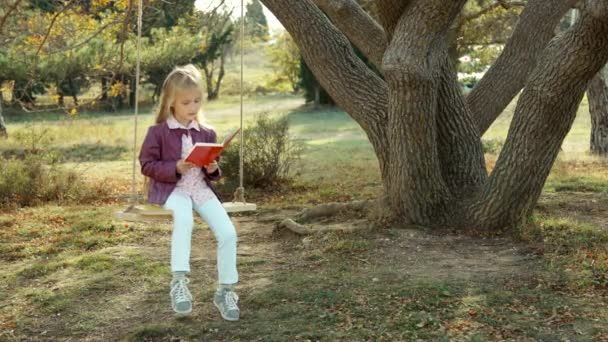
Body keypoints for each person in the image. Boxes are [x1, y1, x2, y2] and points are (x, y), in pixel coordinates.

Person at [139, 64, 239, 321]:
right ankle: (179, 283)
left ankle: (225, 290)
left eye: (197, 101)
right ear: (171, 103)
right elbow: (147, 165)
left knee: (228, 233)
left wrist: (213, 168)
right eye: (186, 102)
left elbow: (212, 174)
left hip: (200, 189)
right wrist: (175, 167)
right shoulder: (158, 133)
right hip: (173, 189)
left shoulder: (206, 132)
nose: (193, 107)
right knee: (184, 221)